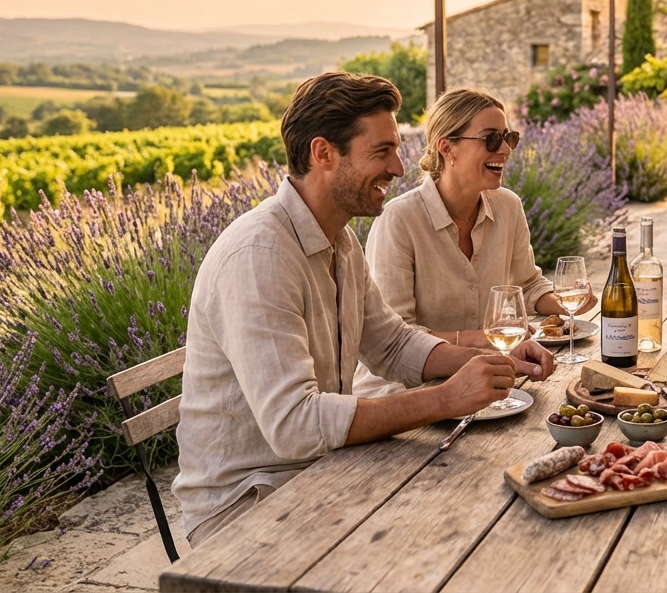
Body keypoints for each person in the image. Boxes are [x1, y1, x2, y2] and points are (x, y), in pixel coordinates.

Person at [172, 72, 555, 548]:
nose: (399, 168)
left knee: (486, 518)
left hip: (324, 469)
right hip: (251, 501)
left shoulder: (340, 240)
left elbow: (392, 343)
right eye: (381, 152)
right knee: (454, 538)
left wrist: (495, 360)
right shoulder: (260, 255)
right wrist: (444, 399)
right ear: (324, 154)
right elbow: (295, 425)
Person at [353, 87, 595, 397]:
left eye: (509, 138)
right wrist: (480, 339)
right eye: (491, 139)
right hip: (400, 393)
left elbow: (530, 284)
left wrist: (567, 304)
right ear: (447, 148)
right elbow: (397, 337)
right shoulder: (399, 220)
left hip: (479, 385)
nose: (505, 150)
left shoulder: (508, 207)